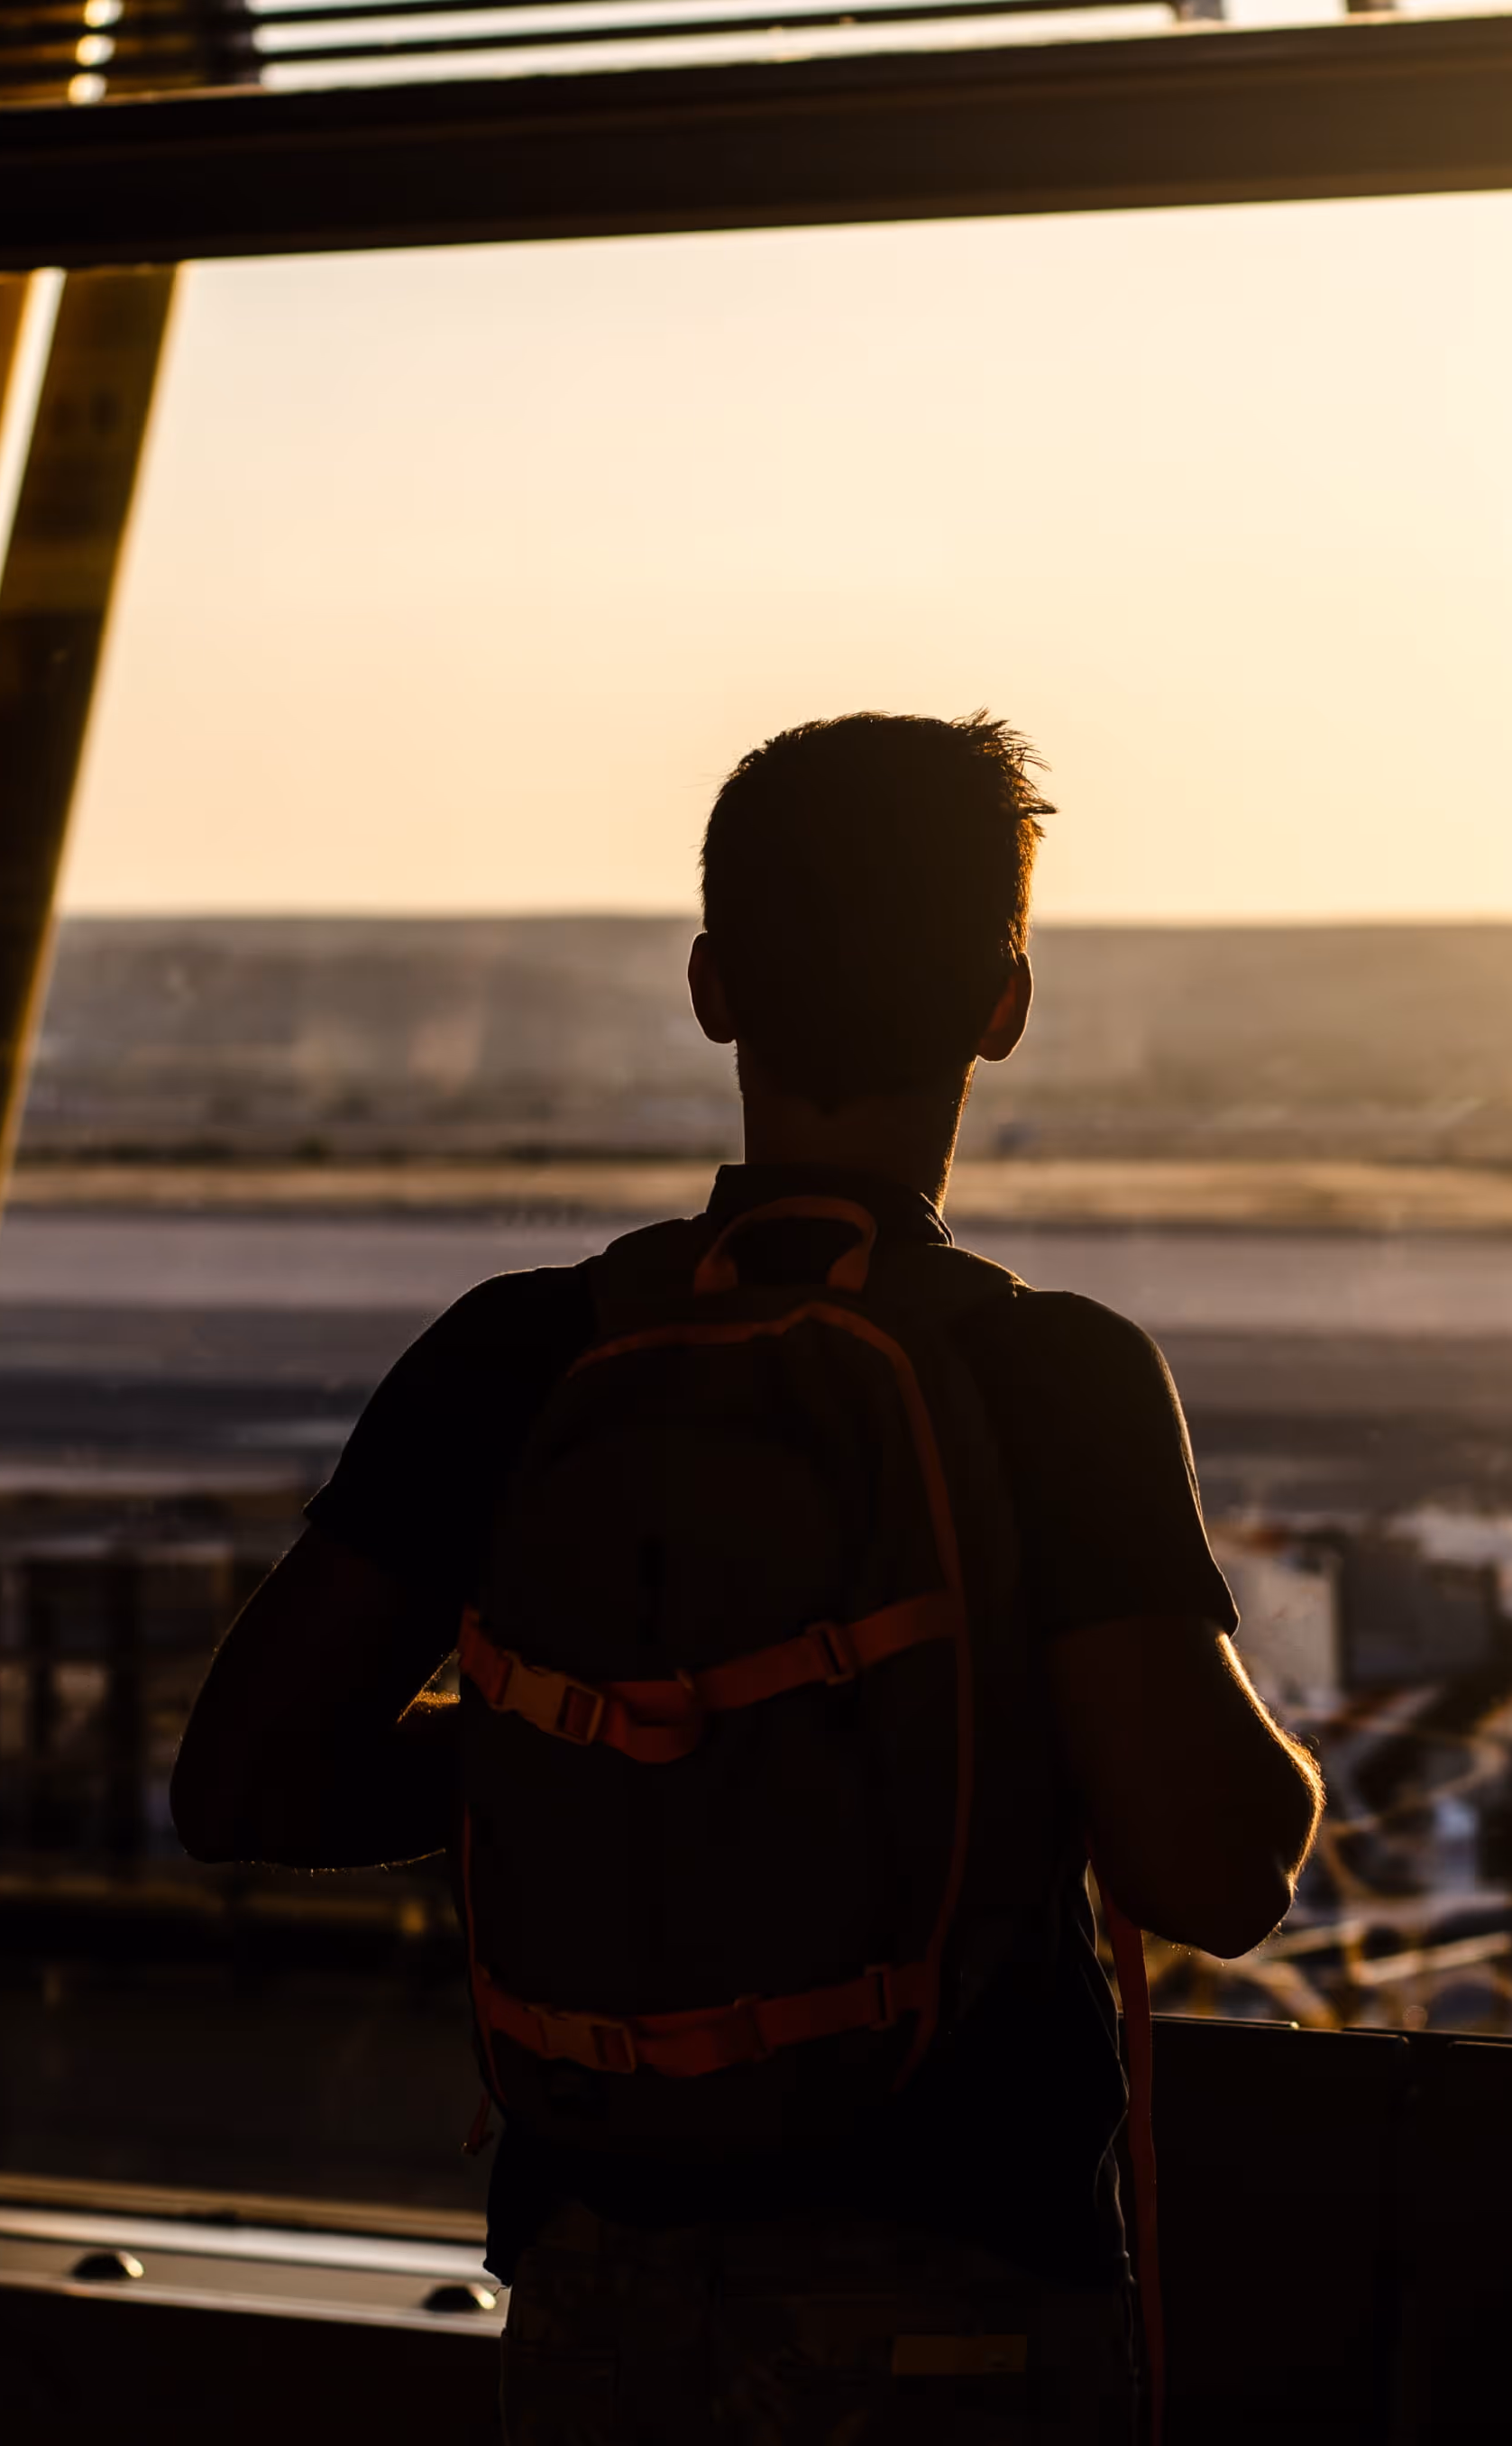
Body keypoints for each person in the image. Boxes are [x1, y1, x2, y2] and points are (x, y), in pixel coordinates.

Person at [170, 710, 1324, 2443]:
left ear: (713, 986)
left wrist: (601, 1735)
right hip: (956, 2289)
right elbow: (1213, 1866)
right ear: (1003, 1007)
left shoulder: (521, 1352)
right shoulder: (1051, 1376)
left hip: (598, 2297)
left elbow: (245, 1780)